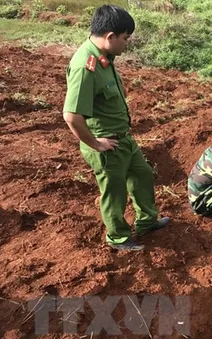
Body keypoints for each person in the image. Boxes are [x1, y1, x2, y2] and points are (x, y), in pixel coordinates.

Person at [62, 5, 170, 251]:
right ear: (110, 36)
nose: (126, 44)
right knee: (115, 192)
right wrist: (96, 144)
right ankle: (118, 237)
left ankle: (146, 222)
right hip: (107, 144)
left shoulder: (104, 56)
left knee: (142, 175)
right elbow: (71, 116)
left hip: (123, 139)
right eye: (125, 39)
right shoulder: (84, 66)